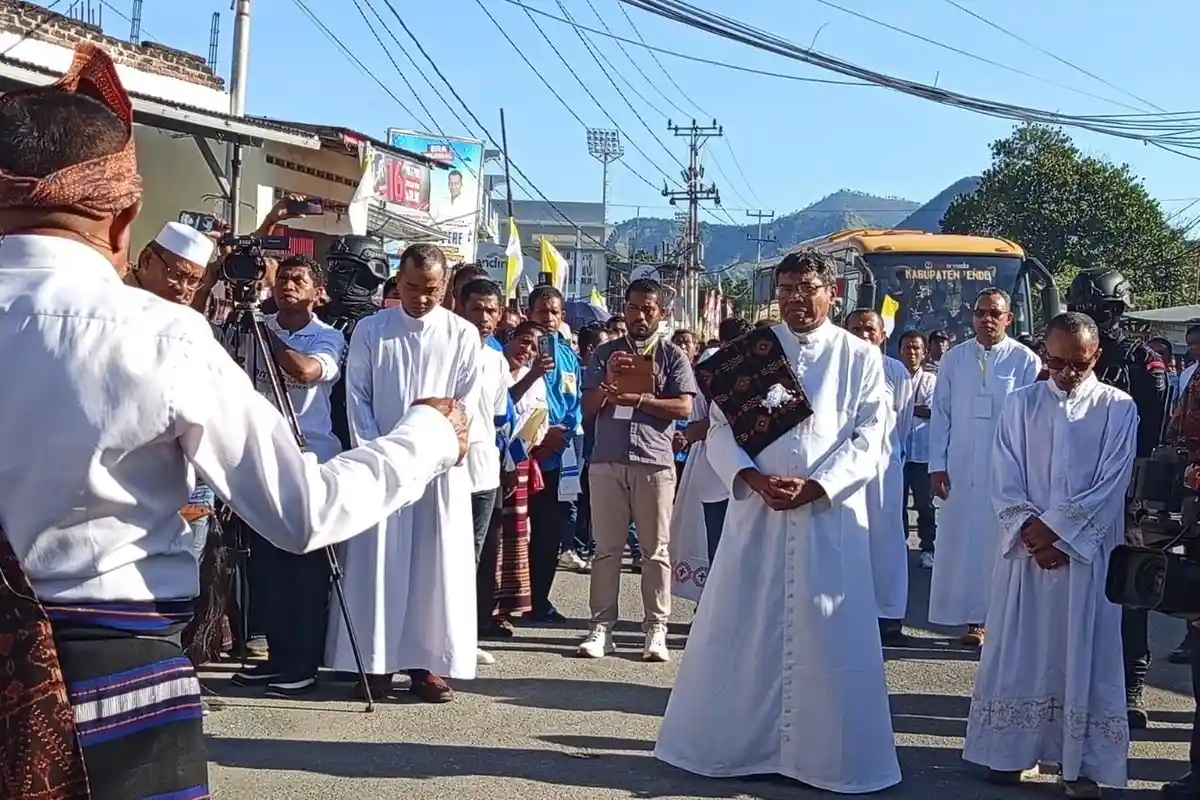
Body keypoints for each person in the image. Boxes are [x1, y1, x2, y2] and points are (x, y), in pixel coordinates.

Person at [0, 44, 467, 799]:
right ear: (123, 221)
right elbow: (300, 512)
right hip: (115, 685)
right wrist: (430, 436)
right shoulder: (159, 336)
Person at [655, 251, 900, 793]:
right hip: (758, 513)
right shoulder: (749, 356)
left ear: (832, 290)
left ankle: (823, 758)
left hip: (826, 519)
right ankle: (739, 747)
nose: (795, 298)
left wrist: (819, 486)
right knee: (745, 628)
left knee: (828, 638)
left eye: (807, 287)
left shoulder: (860, 358)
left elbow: (872, 435)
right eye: (786, 288)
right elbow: (718, 430)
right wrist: (752, 478)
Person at [963, 312, 1134, 798]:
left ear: (1095, 356)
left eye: (1077, 364)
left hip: (1085, 555)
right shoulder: (1021, 404)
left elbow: (1112, 481)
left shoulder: (1118, 408)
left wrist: (1059, 533)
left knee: (1084, 650)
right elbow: (1005, 472)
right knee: (1022, 648)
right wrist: (1031, 532)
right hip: (1028, 556)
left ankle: (1080, 761)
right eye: (1056, 361)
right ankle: (1010, 750)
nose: (1065, 373)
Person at [329, 242, 481, 704]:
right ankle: (374, 664)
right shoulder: (371, 330)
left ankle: (426, 664)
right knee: (379, 565)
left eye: (430, 289)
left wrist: (435, 451)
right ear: (398, 280)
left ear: (446, 286)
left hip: (438, 473)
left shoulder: (461, 334)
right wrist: (381, 455)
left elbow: (465, 404)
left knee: (432, 568)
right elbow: (358, 398)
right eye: (412, 287)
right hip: (383, 469)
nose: (420, 298)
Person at [228, 255, 349, 697]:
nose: (287, 286)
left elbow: (303, 371)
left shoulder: (329, 337)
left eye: (299, 279)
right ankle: (277, 657)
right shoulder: (253, 327)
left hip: (309, 460)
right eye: (282, 279)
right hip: (260, 459)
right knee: (267, 568)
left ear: (318, 292)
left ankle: (302, 661)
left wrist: (265, 332)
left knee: (304, 568)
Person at [1066, 266, 1169, 729]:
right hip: (1069, 490)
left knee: (1128, 592)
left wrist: (1141, 502)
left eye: (1101, 310)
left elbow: (1156, 436)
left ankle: (1129, 685)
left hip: (1127, 494)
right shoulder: (1062, 351)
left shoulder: (1142, 361)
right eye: (1085, 309)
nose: (1094, 318)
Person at [580, 278, 697, 661]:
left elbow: (683, 408)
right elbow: (588, 409)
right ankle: (601, 626)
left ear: (662, 313)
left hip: (654, 461)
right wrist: (610, 381)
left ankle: (655, 628)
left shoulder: (672, 356)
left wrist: (642, 399)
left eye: (649, 308)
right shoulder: (604, 353)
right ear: (624, 309)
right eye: (634, 307)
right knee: (606, 549)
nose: (640, 315)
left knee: (656, 550)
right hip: (607, 459)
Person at [927, 288, 1040, 646]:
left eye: (995, 313)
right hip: (960, 468)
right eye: (980, 313)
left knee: (1002, 544)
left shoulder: (1025, 361)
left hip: (1007, 471)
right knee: (963, 544)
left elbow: (1034, 421)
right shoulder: (954, 360)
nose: (987, 319)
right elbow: (940, 415)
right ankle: (973, 619)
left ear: (1009, 318)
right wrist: (937, 465)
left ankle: (1004, 619)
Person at [513, 285, 581, 624]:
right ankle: (511, 600)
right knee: (515, 531)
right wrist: (539, 435)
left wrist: (564, 431)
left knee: (549, 532)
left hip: (556, 458)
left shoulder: (569, 356)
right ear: (529, 312)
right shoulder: (517, 350)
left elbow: (575, 403)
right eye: (542, 311)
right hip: (522, 455)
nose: (549, 318)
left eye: (554, 312)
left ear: (562, 316)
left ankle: (540, 600)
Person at [846, 308, 914, 647]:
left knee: (886, 538)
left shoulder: (895, 370)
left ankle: (888, 614)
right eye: (856, 328)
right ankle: (849, 612)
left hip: (883, 468)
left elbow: (901, 422)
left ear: (881, 335)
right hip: (844, 469)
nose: (863, 334)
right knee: (847, 535)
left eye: (869, 329)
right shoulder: (838, 366)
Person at [456, 277, 511, 666]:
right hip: (445, 468)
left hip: (483, 471)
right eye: (477, 308)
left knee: (473, 557)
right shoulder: (444, 349)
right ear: (460, 306)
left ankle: (464, 636)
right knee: (443, 554)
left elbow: (496, 415)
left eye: (492, 310)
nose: (485, 317)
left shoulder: (496, 358)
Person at [898, 330, 938, 568]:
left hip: (923, 454)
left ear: (924, 353)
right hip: (898, 453)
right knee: (897, 502)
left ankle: (928, 547)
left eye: (916, 348)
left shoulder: (932, 380)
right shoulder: (892, 375)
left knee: (925, 503)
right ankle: (899, 544)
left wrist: (905, 408)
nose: (911, 352)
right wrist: (916, 407)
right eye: (907, 348)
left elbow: (932, 410)